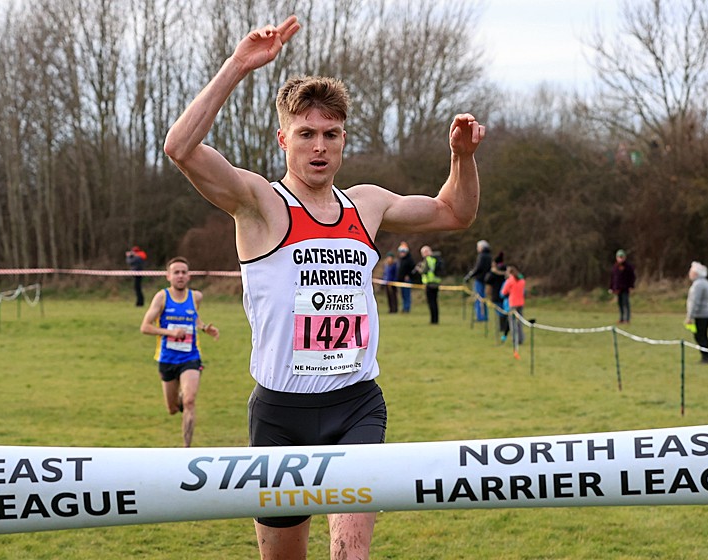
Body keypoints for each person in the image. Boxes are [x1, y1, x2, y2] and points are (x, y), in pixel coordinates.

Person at [162, 15, 485, 560]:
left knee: (348, 554)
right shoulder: (260, 203)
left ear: (343, 139)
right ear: (283, 137)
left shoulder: (368, 204)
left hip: (357, 406)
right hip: (279, 414)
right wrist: (238, 65)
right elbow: (180, 149)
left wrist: (462, 157)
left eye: (330, 134)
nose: (319, 147)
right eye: (306, 134)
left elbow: (455, 212)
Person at [140, 257, 220, 447]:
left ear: (189, 276)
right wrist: (171, 332)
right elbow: (145, 327)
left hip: (190, 357)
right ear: (168, 276)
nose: (180, 276)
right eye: (176, 272)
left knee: (190, 401)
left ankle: (186, 450)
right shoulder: (162, 297)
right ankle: (180, 399)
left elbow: (193, 316)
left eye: (184, 272)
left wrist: (203, 327)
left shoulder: (196, 297)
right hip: (167, 358)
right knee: (173, 408)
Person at [685, 261, 708, 364]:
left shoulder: (698, 285)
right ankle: (706, 356)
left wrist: (690, 316)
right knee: (702, 335)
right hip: (705, 314)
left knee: (700, 336)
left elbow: (694, 301)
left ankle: (706, 357)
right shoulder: (705, 282)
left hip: (701, 315)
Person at [501, 264, 526, 358]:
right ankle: (521, 339)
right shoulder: (521, 280)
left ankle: (515, 339)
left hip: (513, 303)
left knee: (512, 323)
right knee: (519, 322)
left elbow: (504, 292)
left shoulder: (510, 281)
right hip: (521, 303)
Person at [463, 239, 492, 322]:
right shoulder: (489, 256)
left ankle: (480, 317)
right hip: (485, 279)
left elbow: (478, 268)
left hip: (479, 279)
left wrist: (469, 276)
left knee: (478, 298)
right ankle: (485, 316)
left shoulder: (481, 256)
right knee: (483, 298)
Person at [608, 249, 636, 324]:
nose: (620, 258)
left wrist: (631, 286)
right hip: (617, 289)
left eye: (622, 257)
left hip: (625, 288)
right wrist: (611, 287)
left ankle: (627, 319)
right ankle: (621, 318)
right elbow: (613, 278)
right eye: (619, 257)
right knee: (620, 304)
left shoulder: (628, 267)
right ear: (617, 258)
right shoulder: (615, 267)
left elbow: (632, 277)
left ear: (624, 257)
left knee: (625, 303)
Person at [418, 245, 444, 324]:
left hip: (429, 283)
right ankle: (436, 319)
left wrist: (419, 269)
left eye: (422, 253)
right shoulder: (435, 258)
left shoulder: (428, 259)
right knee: (435, 302)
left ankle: (433, 320)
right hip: (436, 283)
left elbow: (424, 271)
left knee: (431, 302)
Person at [486, 251, 509, 340]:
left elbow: (487, 280)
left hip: (497, 294)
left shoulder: (494, 273)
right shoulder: (506, 270)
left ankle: (502, 327)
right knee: (505, 311)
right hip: (506, 296)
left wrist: (493, 272)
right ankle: (504, 327)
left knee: (501, 312)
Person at [396, 242, 417, 313]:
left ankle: (407, 308)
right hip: (401, 280)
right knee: (403, 295)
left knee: (407, 295)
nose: (401, 253)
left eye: (403, 252)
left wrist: (409, 275)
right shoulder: (401, 260)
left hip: (406, 281)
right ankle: (404, 307)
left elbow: (414, 269)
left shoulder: (409, 260)